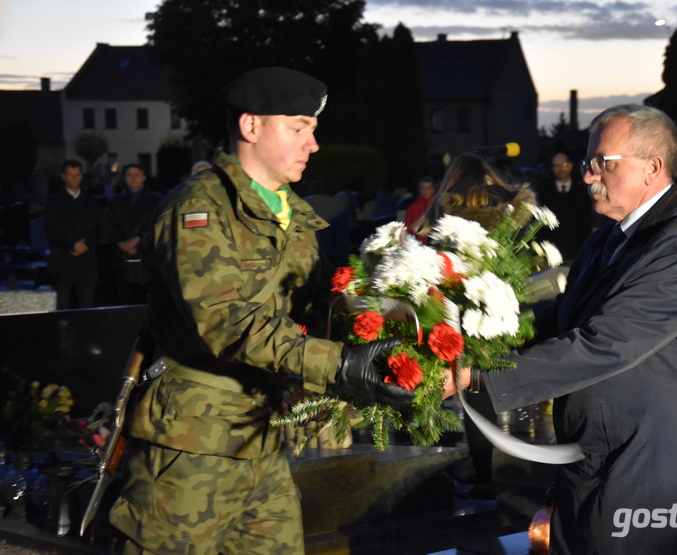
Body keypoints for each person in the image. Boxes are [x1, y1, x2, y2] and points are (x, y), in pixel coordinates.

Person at [109, 67, 413, 554]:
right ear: (251, 127)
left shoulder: (289, 213)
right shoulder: (199, 211)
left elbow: (317, 303)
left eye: (312, 130)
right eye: (298, 127)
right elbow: (226, 322)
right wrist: (339, 366)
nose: (312, 144)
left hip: (261, 437)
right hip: (191, 449)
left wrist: (397, 316)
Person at [452, 105, 677, 554]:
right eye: (588, 163)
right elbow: (560, 320)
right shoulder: (610, 237)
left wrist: (482, 378)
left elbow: (606, 343)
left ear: (652, 168)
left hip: (655, 471)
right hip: (599, 459)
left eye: (603, 162)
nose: (588, 175)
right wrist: (468, 343)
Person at [419, 152, 537, 499]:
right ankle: (500, 468)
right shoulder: (510, 208)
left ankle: (483, 473)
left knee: (475, 394)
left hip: (466, 308)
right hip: (506, 305)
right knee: (487, 387)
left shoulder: (450, 212)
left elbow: (438, 261)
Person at [43, 159, 103, 309]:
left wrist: (86, 244)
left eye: (77, 175)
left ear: (82, 176)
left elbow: (100, 227)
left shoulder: (91, 202)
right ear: (63, 176)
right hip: (62, 261)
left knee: (87, 307)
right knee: (60, 307)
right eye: (71, 175)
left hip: (86, 263)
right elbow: (52, 228)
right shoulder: (53, 202)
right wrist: (72, 244)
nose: (74, 178)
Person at [103, 164, 163, 304]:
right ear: (125, 179)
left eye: (136, 174)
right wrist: (120, 243)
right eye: (129, 175)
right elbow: (106, 226)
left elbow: (159, 224)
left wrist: (139, 239)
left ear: (143, 178)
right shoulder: (115, 201)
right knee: (124, 300)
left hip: (147, 258)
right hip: (121, 259)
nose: (133, 178)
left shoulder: (156, 200)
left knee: (148, 302)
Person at [535, 152, 593, 261]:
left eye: (564, 164)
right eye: (556, 165)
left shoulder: (582, 191)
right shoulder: (544, 191)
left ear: (570, 166)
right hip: (550, 251)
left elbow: (586, 222)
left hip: (575, 252)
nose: (560, 168)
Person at [404, 176, 435, 244]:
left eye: (428, 188)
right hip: (416, 242)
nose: (425, 191)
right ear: (419, 189)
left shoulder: (437, 207)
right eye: (423, 188)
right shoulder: (412, 207)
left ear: (433, 190)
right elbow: (407, 228)